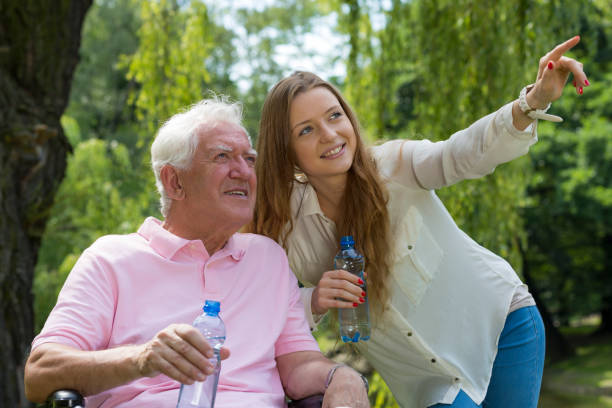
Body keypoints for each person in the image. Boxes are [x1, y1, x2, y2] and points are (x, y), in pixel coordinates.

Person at [247, 36, 589, 408]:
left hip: (500, 326)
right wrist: (313, 299)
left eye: (334, 116)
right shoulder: (283, 226)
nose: (330, 135)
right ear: (286, 149)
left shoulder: (393, 165)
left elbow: (460, 154)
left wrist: (530, 103)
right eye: (306, 130)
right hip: (428, 383)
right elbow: (260, 306)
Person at [24, 97, 370, 407]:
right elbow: (40, 372)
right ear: (175, 182)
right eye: (222, 156)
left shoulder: (268, 259)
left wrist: (341, 376)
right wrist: (141, 359)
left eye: (249, 159)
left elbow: (299, 363)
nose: (244, 172)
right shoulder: (110, 259)